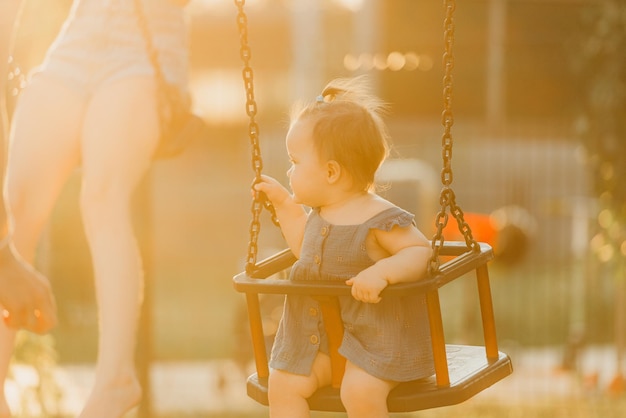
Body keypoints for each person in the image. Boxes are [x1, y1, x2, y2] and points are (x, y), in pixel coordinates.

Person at [0, 0, 191, 417]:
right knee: (15, 213)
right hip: (76, 38)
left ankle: (116, 379)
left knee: (102, 195)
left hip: (145, 44)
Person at [254, 77, 435, 418]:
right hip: (320, 341)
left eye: (295, 162)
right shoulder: (320, 217)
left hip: (376, 345)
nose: (289, 171)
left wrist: (382, 272)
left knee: (359, 392)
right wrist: (282, 203)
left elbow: (419, 252)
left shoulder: (379, 217)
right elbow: (302, 247)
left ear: (332, 172)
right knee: (283, 384)